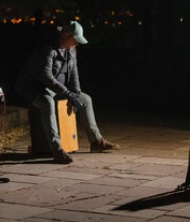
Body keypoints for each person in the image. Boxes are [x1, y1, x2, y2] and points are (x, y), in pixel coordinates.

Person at [15, 20, 119, 164]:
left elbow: (74, 73)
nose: (77, 44)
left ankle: (96, 141)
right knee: (47, 103)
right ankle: (57, 149)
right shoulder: (47, 49)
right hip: (35, 89)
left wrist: (75, 94)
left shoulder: (71, 49)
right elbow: (46, 77)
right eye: (75, 40)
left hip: (57, 89)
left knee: (86, 99)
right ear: (65, 35)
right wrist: (67, 94)